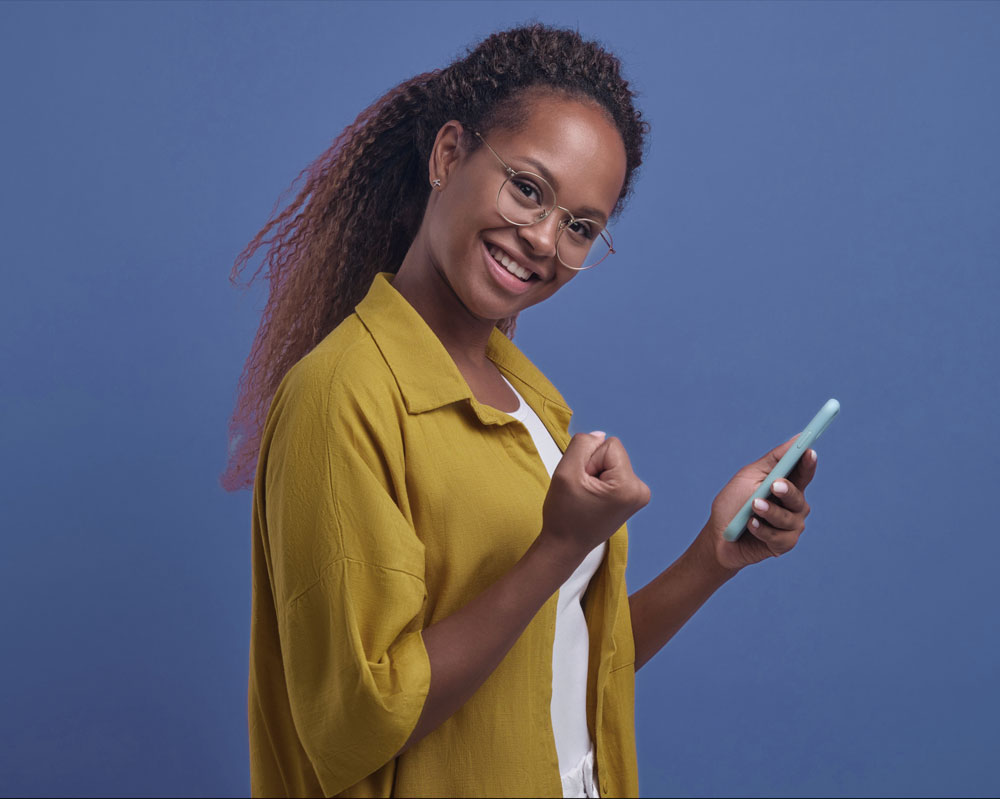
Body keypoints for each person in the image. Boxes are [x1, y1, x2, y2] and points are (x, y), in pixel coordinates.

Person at [222, 23, 818, 799]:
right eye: (528, 188)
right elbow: (356, 718)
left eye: (580, 227)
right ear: (447, 156)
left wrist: (713, 555)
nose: (542, 240)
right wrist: (558, 546)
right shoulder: (343, 394)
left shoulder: (526, 399)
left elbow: (560, 665)